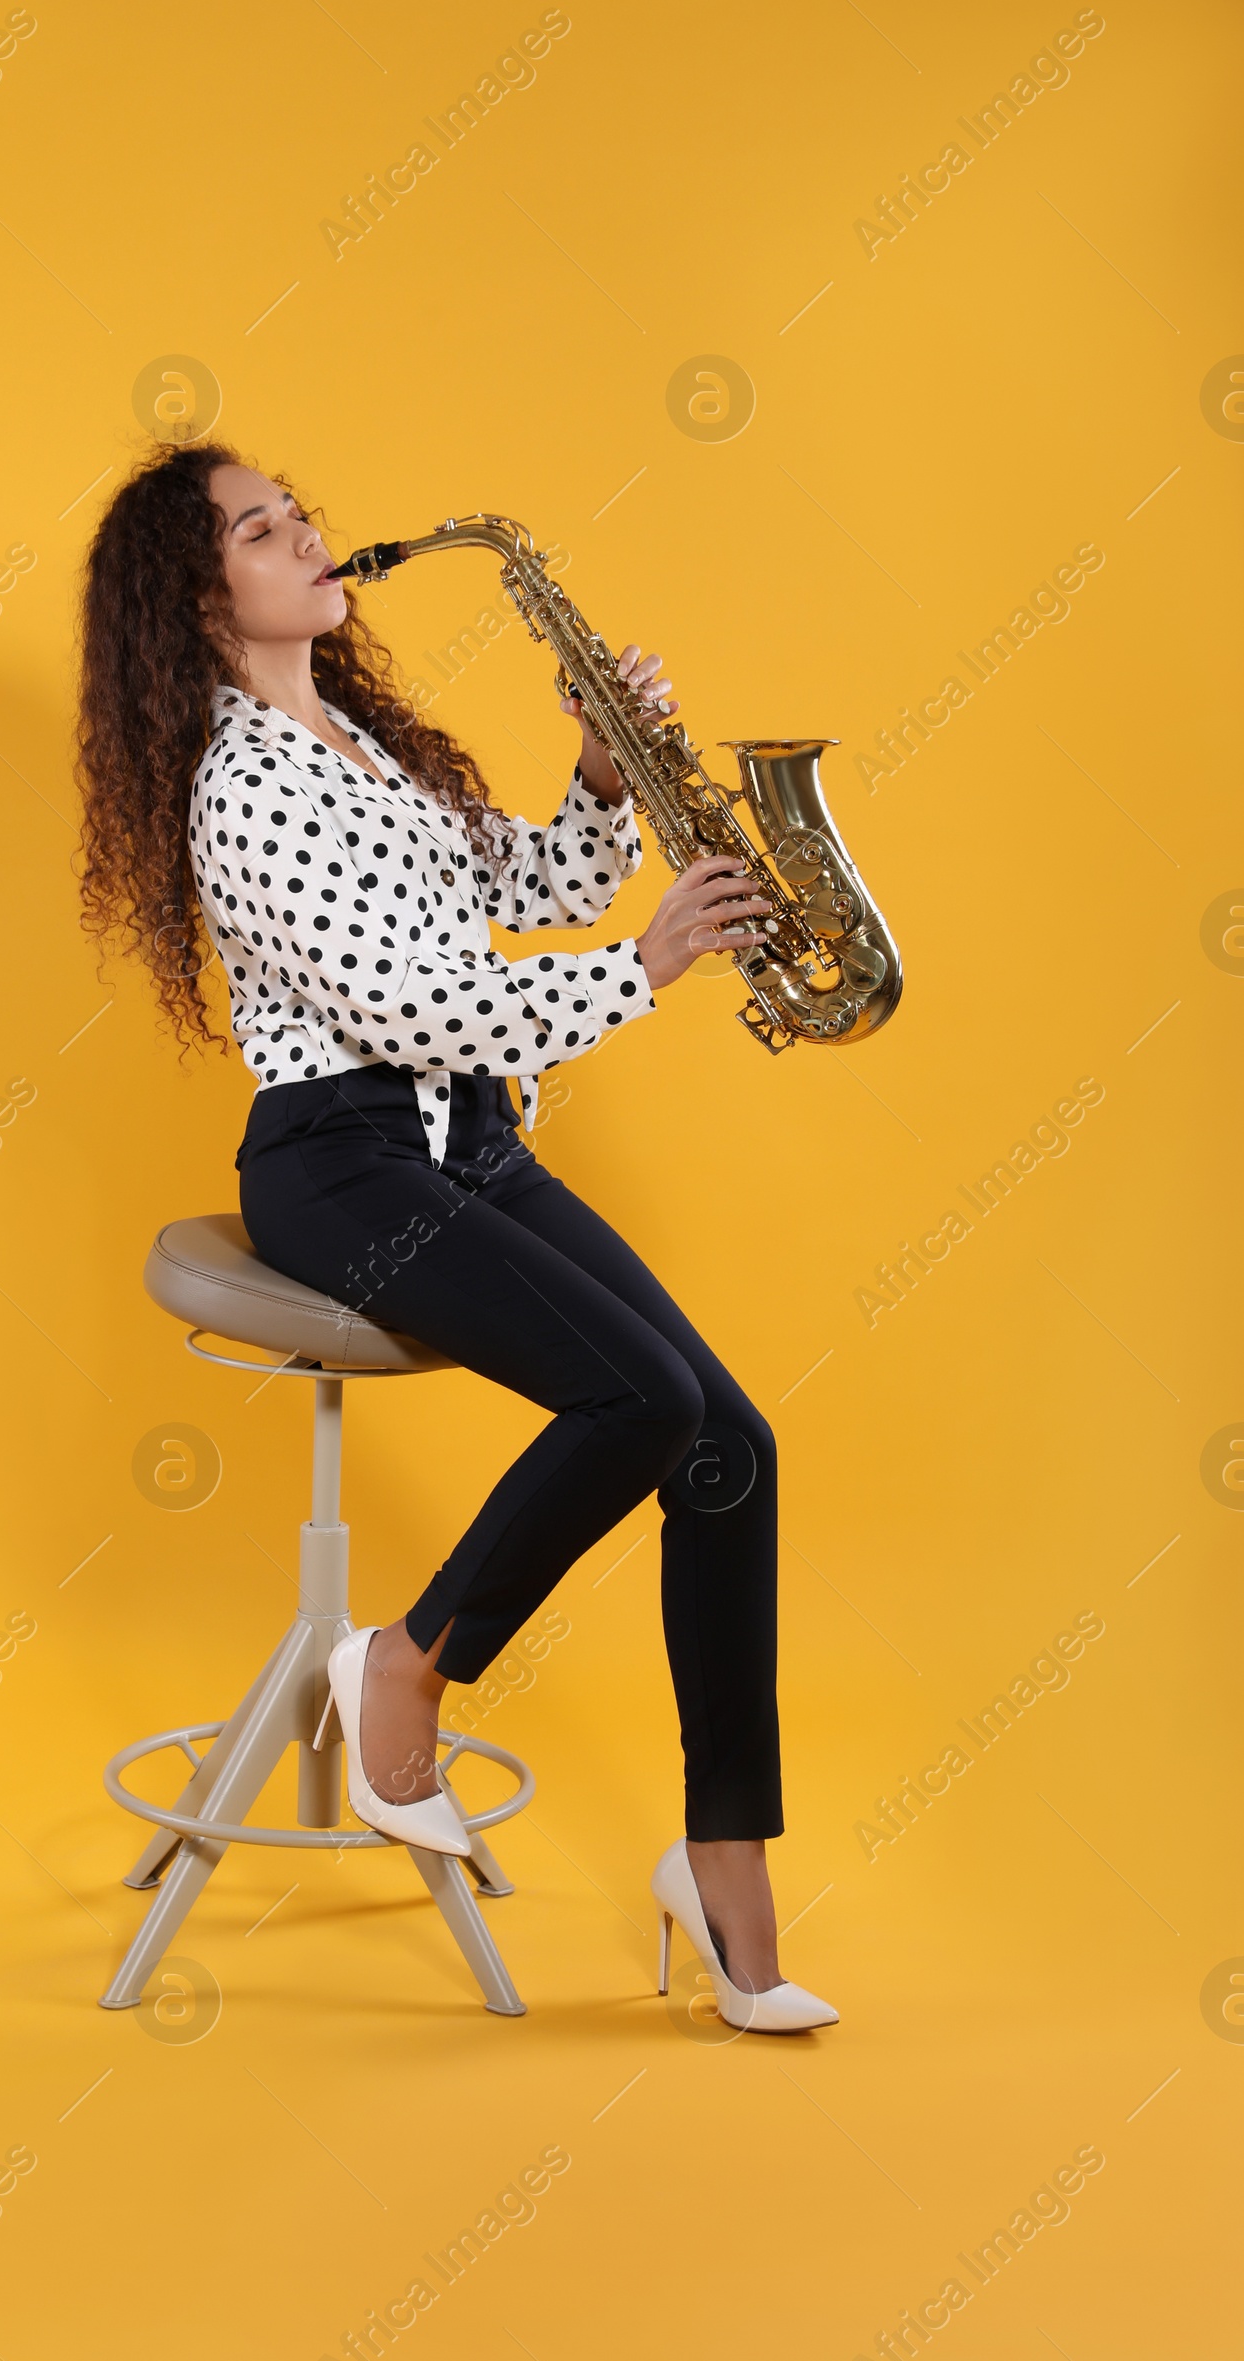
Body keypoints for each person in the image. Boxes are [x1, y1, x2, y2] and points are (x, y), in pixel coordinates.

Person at [76, 439, 836, 2032]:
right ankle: (405, 1664)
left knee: (730, 1444)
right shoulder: (243, 791)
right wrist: (646, 969)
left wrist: (605, 785)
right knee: (644, 1398)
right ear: (201, 602)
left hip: (464, 1143)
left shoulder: (356, 741)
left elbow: (525, 883)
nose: (306, 531)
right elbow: (429, 1006)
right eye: (259, 527)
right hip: (340, 1165)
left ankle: (723, 1868)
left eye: (295, 506)